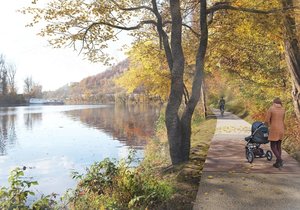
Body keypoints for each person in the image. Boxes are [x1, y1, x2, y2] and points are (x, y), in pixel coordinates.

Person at [265, 97, 285, 168]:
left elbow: (267, 120)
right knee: (278, 145)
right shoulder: (283, 109)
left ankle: (280, 160)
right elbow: (283, 119)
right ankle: (277, 163)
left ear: (274, 102)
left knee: (273, 146)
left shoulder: (271, 108)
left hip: (274, 129)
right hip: (282, 128)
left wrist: (266, 126)